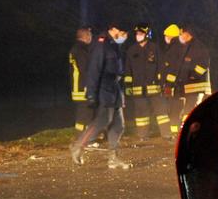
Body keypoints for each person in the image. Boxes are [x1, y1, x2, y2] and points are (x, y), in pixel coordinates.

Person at [69, 23, 132, 169]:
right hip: (104, 89)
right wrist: (91, 93)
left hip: (115, 89)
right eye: (123, 32)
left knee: (118, 125)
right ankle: (77, 146)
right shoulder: (102, 44)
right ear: (113, 29)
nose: (125, 36)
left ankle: (113, 158)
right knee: (103, 120)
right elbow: (94, 69)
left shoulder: (114, 45)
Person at [124, 23, 163, 140]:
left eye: (140, 34)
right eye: (137, 34)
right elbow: (128, 69)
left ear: (147, 35)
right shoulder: (131, 50)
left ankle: (166, 134)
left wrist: (161, 83)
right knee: (141, 114)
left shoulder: (154, 48)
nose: (138, 36)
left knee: (161, 112)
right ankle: (142, 135)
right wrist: (128, 85)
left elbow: (161, 66)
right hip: (138, 89)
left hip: (154, 87)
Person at [176, 24, 213, 133]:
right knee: (189, 108)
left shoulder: (198, 47)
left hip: (197, 86)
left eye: (181, 33)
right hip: (189, 86)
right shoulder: (186, 47)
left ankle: (187, 129)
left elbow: (204, 64)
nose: (180, 36)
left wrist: (194, 75)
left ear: (187, 34)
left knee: (191, 108)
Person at [159, 23, 185, 138]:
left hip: (173, 86)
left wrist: (168, 84)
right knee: (175, 108)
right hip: (177, 85)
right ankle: (174, 131)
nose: (165, 38)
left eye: (166, 36)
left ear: (170, 37)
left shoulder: (173, 49)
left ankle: (174, 132)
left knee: (173, 108)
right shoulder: (179, 47)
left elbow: (173, 68)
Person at [68, 27, 93, 133]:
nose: (91, 37)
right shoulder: (81, 50)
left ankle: (81, 137)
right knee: (85, 114)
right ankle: (83, 138)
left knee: (83, 113)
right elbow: (85, 69)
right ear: (85, 36)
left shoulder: (76, 48)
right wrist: (90, 84)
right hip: (83, 86)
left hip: (78, 86)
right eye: (90, 35)